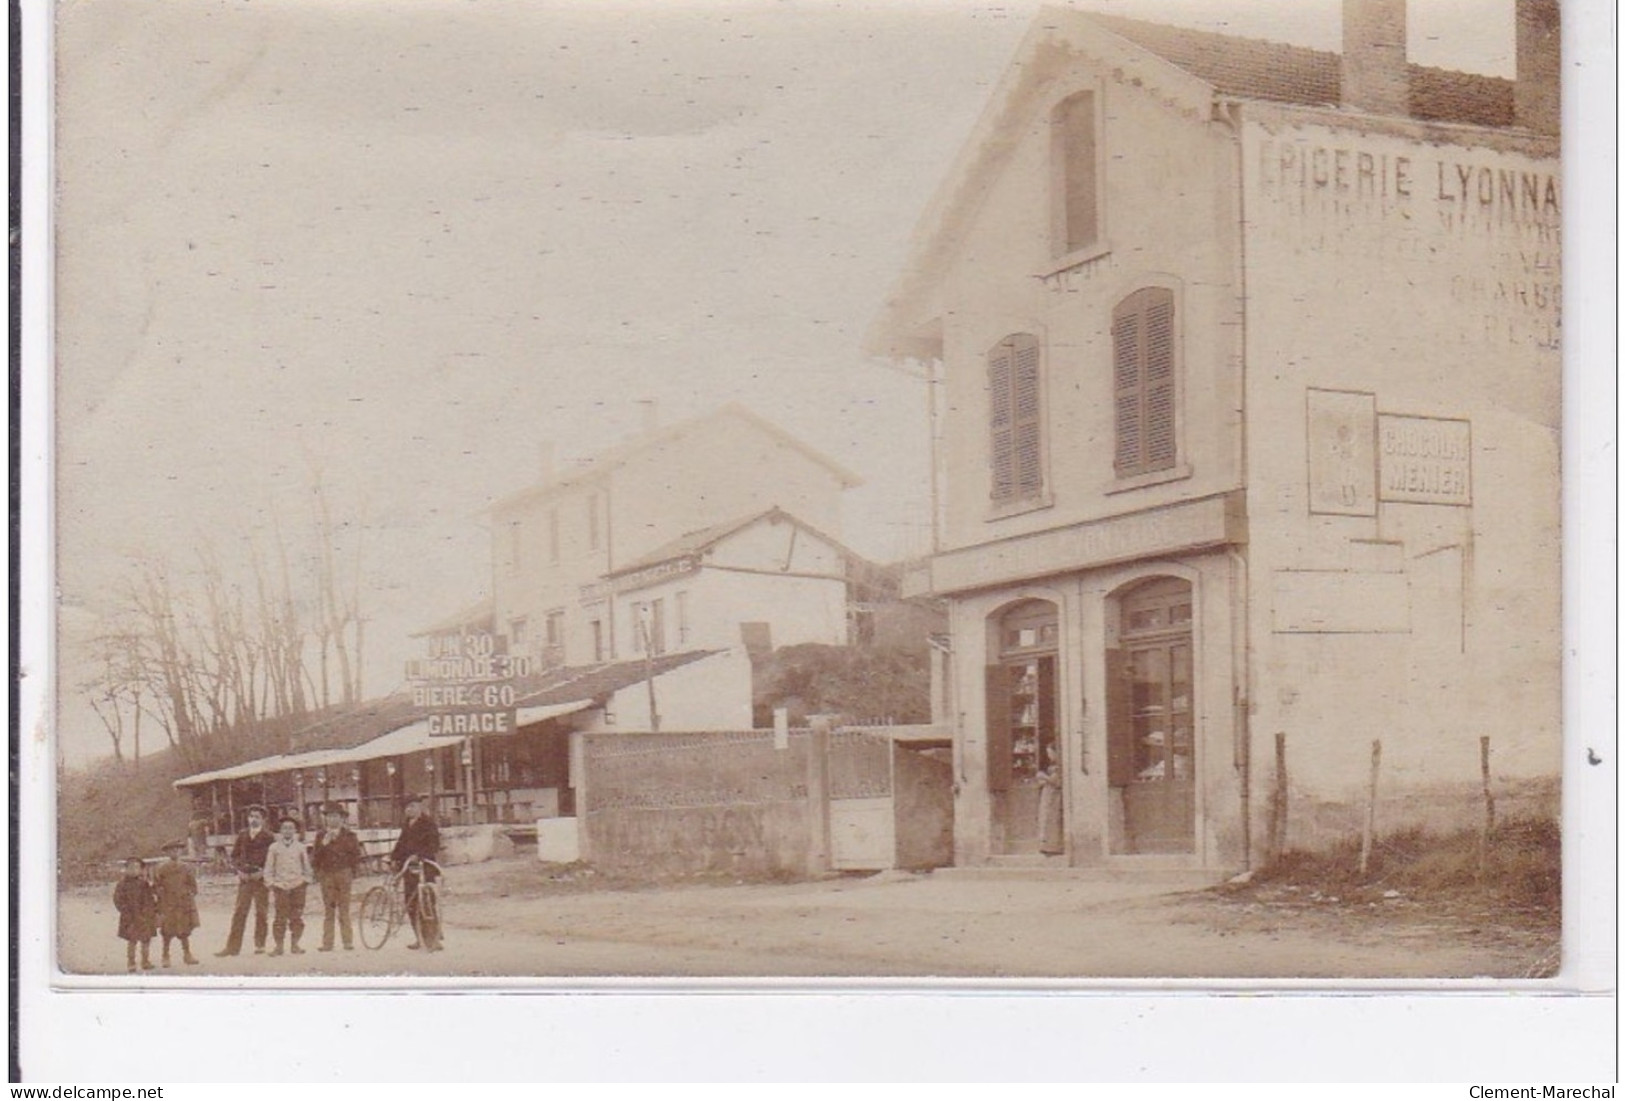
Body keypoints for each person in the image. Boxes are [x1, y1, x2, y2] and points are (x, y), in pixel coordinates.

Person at [216, 805, 274, 957]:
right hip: (245, 879)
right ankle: (232, 947)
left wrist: (262, 872)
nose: (253, 819)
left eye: (257, 817)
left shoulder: (268, 837)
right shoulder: (242, 835)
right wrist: (239, 871)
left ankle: (260, 944)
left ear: (263, 819)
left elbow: (273, 859)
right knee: (240, 912)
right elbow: (234, 856)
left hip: (260, 879)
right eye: (251, 816)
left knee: (261, 912)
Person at [389, 794, 442, 951]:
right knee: (411, 904)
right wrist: (393, 858)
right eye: (406, 807)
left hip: (425, 867)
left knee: (427, 903)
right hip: (409, 869)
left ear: (420, 807)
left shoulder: (429, 824)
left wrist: (418, 855)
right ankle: (419, 938)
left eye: (412, 806)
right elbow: (401, 844)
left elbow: (434, 845)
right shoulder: (407, 824)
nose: (409, 810)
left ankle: (434, 939)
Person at [310, 803, 363, 951]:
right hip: (327, 875)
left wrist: (352, 873)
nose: (333, 820)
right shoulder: (320, 836)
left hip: (344, 873)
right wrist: (324, 844)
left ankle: (348, 941)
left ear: (342, 819)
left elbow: (355, 856)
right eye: (329, 816)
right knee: (329, 909)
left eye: (336, 816)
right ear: (325, 819)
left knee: (344, 908)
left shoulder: (350, 835)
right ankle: (328, 943)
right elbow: (315, 859)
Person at [264, 815, 314, 956]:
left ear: (295, 831)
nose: (287, 831)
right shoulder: (274, 848)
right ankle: (279, 946)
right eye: (284, 828)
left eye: (291, 828)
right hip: (280, 886)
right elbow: (269, 868)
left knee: (296, 917)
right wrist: (271, 884)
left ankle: (295, 945)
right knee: (280, 917)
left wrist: (305, 881)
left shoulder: (300, 847)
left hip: (297, 886)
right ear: (280, 831)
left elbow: (307, 867)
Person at [151, 841, 200, 966]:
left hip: (183, 903)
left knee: (184, 930)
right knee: (167, 930)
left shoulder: (186, 867)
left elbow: (193, 885)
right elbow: (156, 885)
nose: (175, 852)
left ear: (181, 851)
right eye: (171, 850)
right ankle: (165, 955)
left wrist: (190, 893)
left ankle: (187, 954)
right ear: (167, 853)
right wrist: (160, 893)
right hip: (168, 903)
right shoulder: (161, 868)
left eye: (177, 850)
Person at [113, 857, 157, 973]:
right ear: (126, 869)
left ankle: (145, 961)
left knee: (146, 940)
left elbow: (150, 900)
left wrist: (150, 912)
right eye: (131, 867)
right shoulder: (122, 885)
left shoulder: (144, 884)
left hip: (145, 917)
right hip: (130, 918)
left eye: (137, 867)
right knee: (132, 940)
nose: (134, 870)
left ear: (141, 870)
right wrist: (125, 911)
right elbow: (118, 900)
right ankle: (131, 963)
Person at [1037, 744, 1065, 856]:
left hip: (1054, 796)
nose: (1049, 756)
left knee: (1053, 819)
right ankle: (1047, 846)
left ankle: (1054, 847)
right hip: (1049, 795)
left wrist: (1043, 777)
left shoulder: (1060, 766)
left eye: (1050, 753)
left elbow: (1057, 782)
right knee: (1047, 819)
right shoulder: (1053, 766)